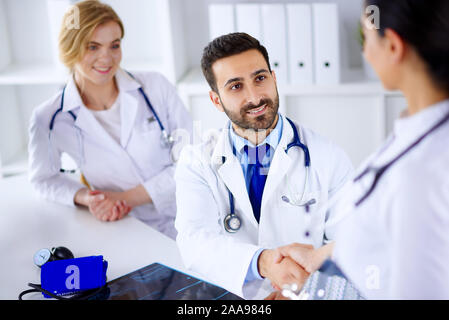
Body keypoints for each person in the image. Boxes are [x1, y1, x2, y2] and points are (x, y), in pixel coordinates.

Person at [274, 0, 449, 299]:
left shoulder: (421, 171)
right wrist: (320, 257)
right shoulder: (423, 125)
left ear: (393, 46)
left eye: (367, 39)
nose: (365, 52)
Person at [174, 33, 354, 299]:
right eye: (236, 86)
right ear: (216, 100)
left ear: (274, 78)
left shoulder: (327, 156)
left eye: (260, 79)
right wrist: (263, 262)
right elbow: (195, 242)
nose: (255, 97)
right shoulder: (196, 163)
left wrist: (303, 288)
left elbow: (352, 243)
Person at [28, 0, 192, 240]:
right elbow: (43, 178)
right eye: (93, 47)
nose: (107, 58)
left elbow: (190, 160)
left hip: (189, 213)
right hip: (125, 225)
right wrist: (88, 198)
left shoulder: (155, 87)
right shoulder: (49, 118)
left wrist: (125, 198)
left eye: (114, 45)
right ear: (70, 48)